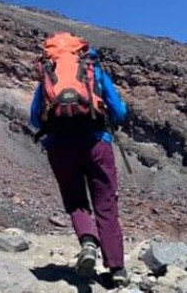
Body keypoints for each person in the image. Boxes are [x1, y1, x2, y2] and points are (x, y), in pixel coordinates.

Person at [30, 36, 128, 286]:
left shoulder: (48, 73)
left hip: (60, 147)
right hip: (96, 144)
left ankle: (88, 243)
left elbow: (35, 118)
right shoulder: (93, 70)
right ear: (82, 50)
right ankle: (117, 269)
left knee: (75, 201)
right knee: (106, 205)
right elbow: (119, 112)